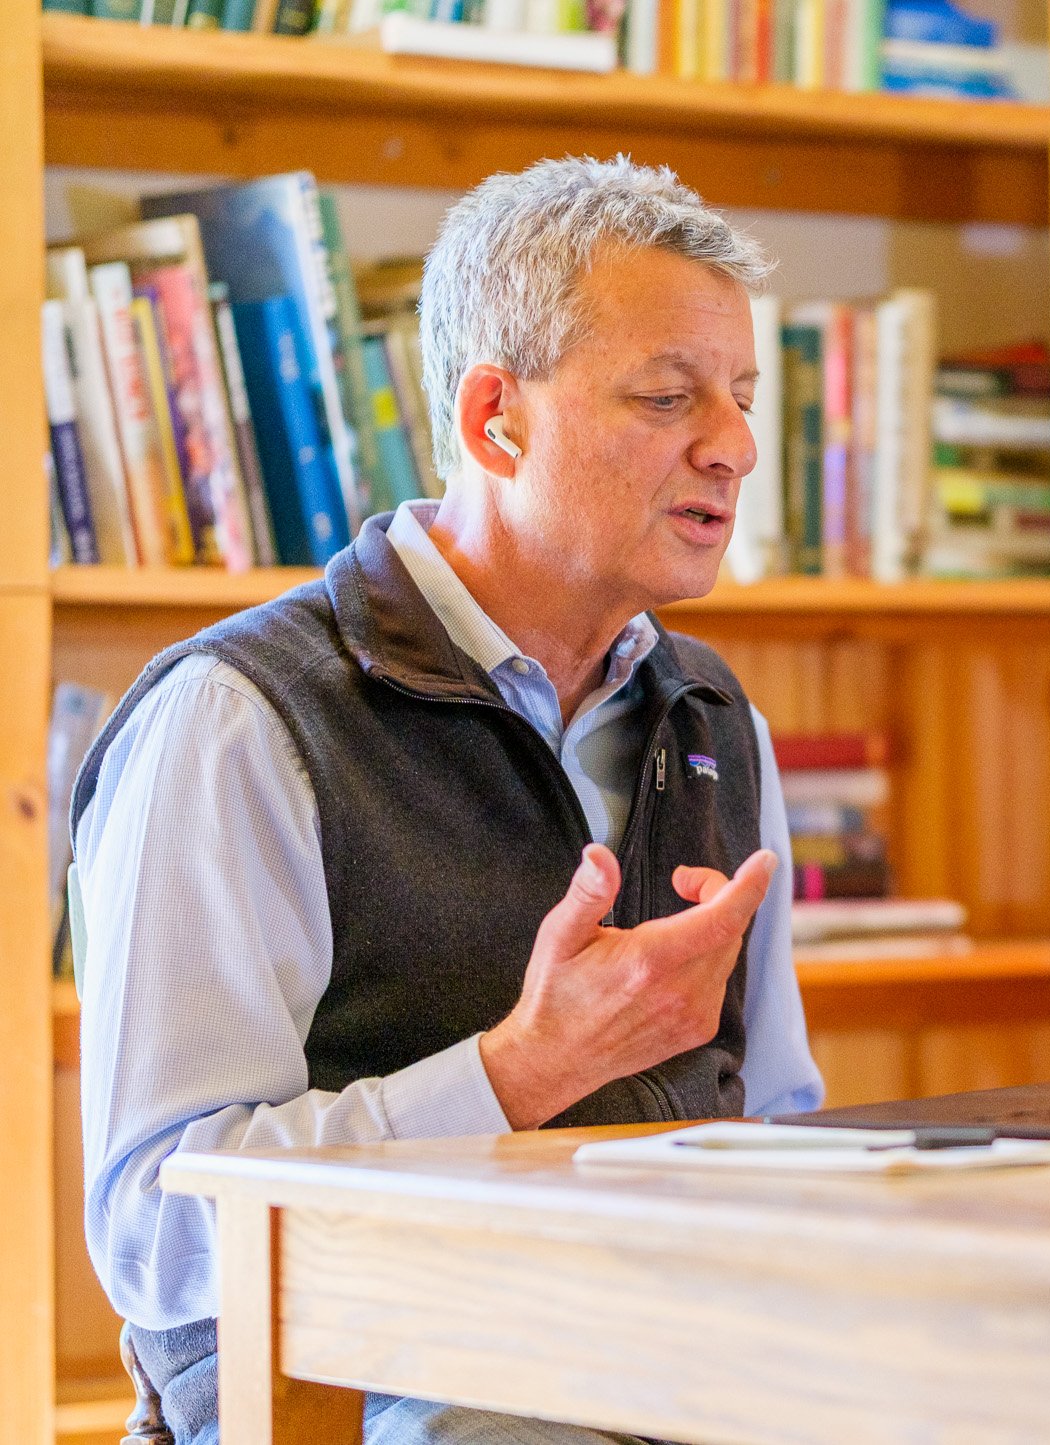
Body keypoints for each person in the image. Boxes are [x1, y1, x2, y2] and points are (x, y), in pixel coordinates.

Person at [71, 155, 824, 1444]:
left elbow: (778, 1127)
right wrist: (518, 1072)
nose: (737, 448)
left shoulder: (717, 722)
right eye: (668, 397)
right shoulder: (242, 719)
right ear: (496, 421)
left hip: (670, 1356)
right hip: (369, 1386)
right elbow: (154, 1229)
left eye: (745, 399)